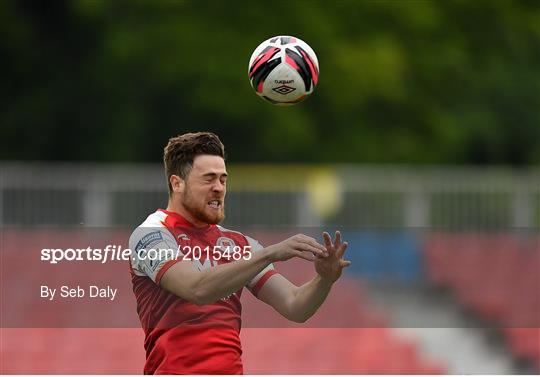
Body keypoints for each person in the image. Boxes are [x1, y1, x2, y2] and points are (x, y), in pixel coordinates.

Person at [128, 132, 350, 374]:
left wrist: (324, 279)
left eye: (223, 180)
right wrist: (268, 254)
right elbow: (196, 289)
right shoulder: (152, 233)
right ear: (177, 183)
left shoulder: (239, 243)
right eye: (208, 179)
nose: (219, 188)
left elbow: (295, 305)